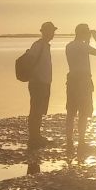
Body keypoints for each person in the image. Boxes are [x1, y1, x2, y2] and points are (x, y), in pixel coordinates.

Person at [64, 23, 96, 162]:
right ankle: (81, 142)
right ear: (83, 33)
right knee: (83, 113)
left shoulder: (69, 46)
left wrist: (87, 39)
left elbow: (81, 55)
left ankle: (69, 142)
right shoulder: (83, 46)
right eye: (86, 33)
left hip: (72, 81)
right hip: (83, 82)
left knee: (71, 112)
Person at [24, 21, 56, 171]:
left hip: (43, 83)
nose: (53, 33)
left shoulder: (45, 45)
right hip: (38, 82)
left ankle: (37, 136)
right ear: (45, 32)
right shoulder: (38, 45)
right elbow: (30, 61)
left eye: (53, 31)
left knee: (39, 110)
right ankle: (33, 138)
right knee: (35, 110)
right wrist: (36, 77)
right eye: (51, 31)